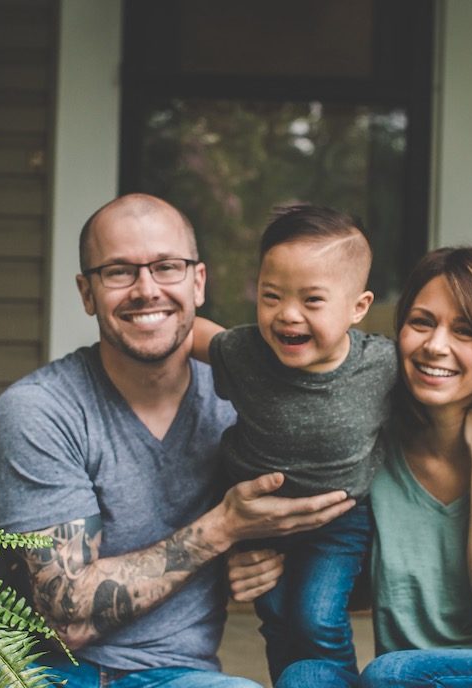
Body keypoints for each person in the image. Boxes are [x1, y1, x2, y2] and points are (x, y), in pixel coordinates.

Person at [0, 193, 355, 688]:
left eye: (167, 267)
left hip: (180, 675)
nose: (146, 289)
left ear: (198, 282)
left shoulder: (239, 405)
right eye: (118, 271)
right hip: (47, 673)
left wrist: (261, 561)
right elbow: (65, 619)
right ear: (86, 292)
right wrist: (224, 529)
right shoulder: (40, 412)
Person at [230, 246, 472, 688]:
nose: (436, 346)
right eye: (421, 322)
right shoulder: (373, 445)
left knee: (394, 673)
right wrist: (265, 564)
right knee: (305, 678)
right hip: (419, 678)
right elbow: (369, 585)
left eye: (466, 331)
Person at [191, 204, 399, 683]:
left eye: (312, 300)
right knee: (279, 617)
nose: (287, 315)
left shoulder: (381, 365)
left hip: (339, 521)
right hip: (260, 520)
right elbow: (197, 334)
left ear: (358, 307)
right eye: (271, 296)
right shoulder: (244, 353)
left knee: (317, 617)